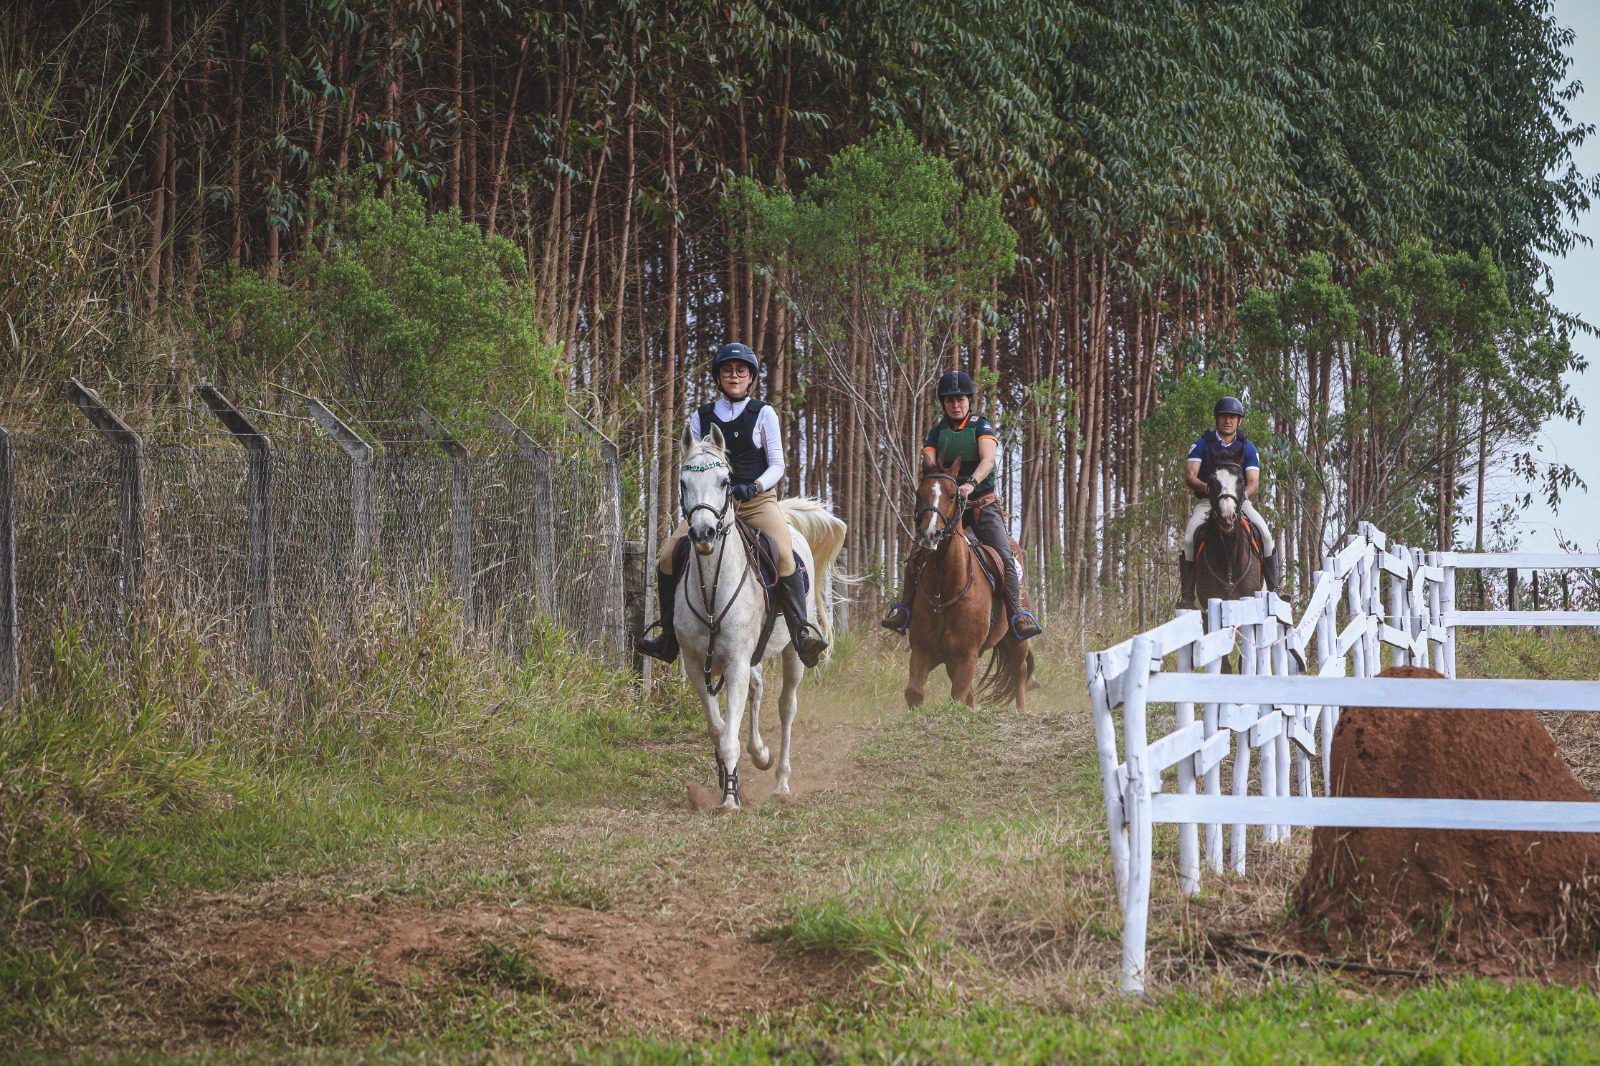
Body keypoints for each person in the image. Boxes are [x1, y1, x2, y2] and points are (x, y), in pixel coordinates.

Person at [636, 342, 829, 668]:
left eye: (741, 370)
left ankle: (801, 632)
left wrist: (753, 486)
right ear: (719, 377)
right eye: (728, 371)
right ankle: (668, 635)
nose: (734, 375)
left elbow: (778, 465)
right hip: (711, 506)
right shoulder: (702, 416)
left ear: (750, 376)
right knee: (668, 556)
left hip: (755, 503)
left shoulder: (763, 413)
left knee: (784, 555)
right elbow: (692, 460)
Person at [880, 370, 1043, 641]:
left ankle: (1017, 614)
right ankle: (904, 610)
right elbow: (929, 460)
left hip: (981, 506)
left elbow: (988, 459)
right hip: (946, 508)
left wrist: (970, 483)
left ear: (969, 400)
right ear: (943, 403)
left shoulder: (982, 426)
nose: (956, 404)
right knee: (917, 554)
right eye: (950, 400)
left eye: (960, 399)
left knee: (1005, 555)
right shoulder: (937, 431)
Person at [1178, 395, 1278, 607]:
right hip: (1208, 501)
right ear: (1217, 419)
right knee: (1188, 540)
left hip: (1239, 502)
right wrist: (1211, 490)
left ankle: (1275, 588)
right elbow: (1191, 476)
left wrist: (1238, 498)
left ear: (1239, 421)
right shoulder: (1201, 444)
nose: (1228, 420)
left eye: (1233, 417)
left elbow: (1253, 482)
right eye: (1224, 416)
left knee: (1267, 537)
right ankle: (1187, 594)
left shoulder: (1248, 448)